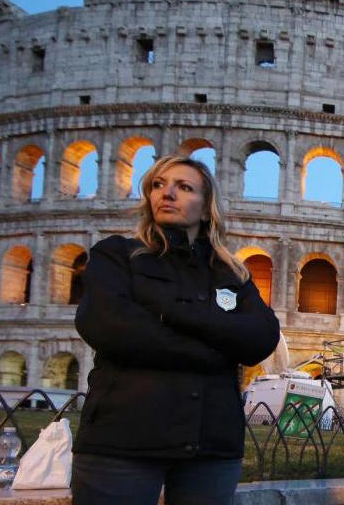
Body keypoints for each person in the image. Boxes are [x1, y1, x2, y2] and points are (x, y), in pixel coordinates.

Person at [71, 154, 281, 505]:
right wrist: (218, 348)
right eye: (158, 185)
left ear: (205, 208)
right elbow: (108, 327)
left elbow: (262, 337)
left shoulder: (233, 274)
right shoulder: (116, 254)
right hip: (124, 440)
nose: (167, 194)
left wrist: (168, 314)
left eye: (184, 187)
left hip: (210, 446)